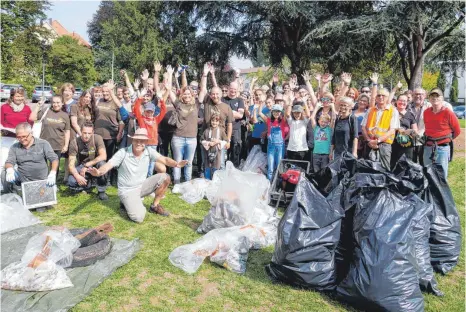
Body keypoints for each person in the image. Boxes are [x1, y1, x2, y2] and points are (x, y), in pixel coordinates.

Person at [87, 128, 188, 223]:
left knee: (165, 177)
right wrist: (99, 172)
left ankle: (154, 206)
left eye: (142, 141)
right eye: (137, 140)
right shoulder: (123, 152)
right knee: (139, 217)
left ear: (146, 142)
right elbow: (108, 165)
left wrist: (176, 164)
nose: (139, 143)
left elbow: (165, 159)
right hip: (127, 190)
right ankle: (125, 202)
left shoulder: (149, 151)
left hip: (141, 186)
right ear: (132, 140)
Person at [1, 122, 58, 194]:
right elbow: (9, 161)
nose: (22, 139)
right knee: (4, 173)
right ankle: (11, 195)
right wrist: (10, 170)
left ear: (31, 133)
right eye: (19, 137)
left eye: (24, 136)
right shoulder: (14, 147)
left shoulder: (43, 144)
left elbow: (54, 159)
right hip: (22, 179)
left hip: (41, 180)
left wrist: (53, 173)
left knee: (41, 200)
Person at [29, 95, 71, 180]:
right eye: (54, 102)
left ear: (62, 103)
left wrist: (66, 145)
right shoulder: (46, 111)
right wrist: (38, 106)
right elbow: (32, 118)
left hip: (58, 144)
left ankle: (52, 183)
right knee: (42, 165)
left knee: (55, 165)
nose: (55, 104)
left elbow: (67, 131)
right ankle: (42, 181)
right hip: (43, 144)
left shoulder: (65, 115)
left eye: (58, 102)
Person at [423, 88, 460, 179]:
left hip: (442, 148)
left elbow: (457, 131)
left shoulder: (448, 113)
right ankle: (429, 193)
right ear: (429, 99)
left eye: (437, 96)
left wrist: (445, 139)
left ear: (442, 98)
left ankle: (441, 193)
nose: (435, 98)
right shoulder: (426, 112)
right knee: (427, 174)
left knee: (441, 176)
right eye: (432, 96)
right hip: (428, 147)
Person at [93, 81, 125, 184]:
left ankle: (110, 178)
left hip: (111, 135)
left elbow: (121, 121)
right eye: (103, 91)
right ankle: (98, 177)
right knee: (98, 156)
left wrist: (119, 133)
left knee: (110, 157)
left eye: (107, 91)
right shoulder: (98, 101)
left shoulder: (115, 103)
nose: (105, 93)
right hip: (97, 135)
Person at [68, 121, 108, 200]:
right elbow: (70, 165)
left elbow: (103, 156)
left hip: (95, 165)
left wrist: (87, 165)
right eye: (84, 133)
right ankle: (87, 186)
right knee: (71, 181)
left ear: (92, 132)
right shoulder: (74, 142)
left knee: (102, 164)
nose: (86, 136)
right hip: (82, 166)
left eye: (89, 133)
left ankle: (101, 191)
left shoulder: (97, 138)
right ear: (81, 131)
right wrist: (77, 176)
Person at [167, 86, 199, 184]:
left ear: (192, 95)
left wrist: (205, 74)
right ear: (182, 95)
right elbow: (170, 93)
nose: (187, 95)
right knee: (177, 162)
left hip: (192, 139)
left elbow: (204, 91)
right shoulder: (178, 104)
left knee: (189, 163)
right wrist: (169, 78)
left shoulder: (196, 104)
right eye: (185, 93)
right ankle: (177, 183)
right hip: (178, 137)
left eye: (189, 93)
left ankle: (187, 183)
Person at [361, 88, 400, 170]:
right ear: (376, 97)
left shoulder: (393, 111)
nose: (381, 97)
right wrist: (368, 140)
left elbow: (392, 130)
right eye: (379, 95)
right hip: (369, 144)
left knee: (384, 169)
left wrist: (377, 141)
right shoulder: (370, 110)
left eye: (383, 95)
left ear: (388, 97)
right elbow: (363, 127)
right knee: (368, 168)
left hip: (384, 145)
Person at [133, 89, 167, 176]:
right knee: (142, 161)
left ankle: (149, 177)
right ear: (144, 111)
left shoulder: (156, 119)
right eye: (147, 111)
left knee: (152, 162)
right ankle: (141, 178)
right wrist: (140, 97)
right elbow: (136, 108)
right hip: (144, 144)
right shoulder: (141, 120)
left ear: (153, 112)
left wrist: (161, 99)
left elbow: (163, 111)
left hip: (153, 144)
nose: (149, 113)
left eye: (151, 111)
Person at [257, 104, 287, 180]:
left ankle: (278, 184)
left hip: (280, 147)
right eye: (274, 112)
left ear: (281, 112)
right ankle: (269, 185)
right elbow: (260, 113)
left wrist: (287, 103)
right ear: (272, 112)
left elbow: (287, 112)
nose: (276, 113)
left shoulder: (283, 121)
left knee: (279, 167)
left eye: (278, 112)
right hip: (271, 147)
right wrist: (261, 102)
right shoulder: (268, 121)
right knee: (270, 168)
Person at [390, 94, 418, 168]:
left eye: (404, 101)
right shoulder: (391, 113)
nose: (402, 102)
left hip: (406, 144)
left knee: (406, 165)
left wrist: (408, 131)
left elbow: (415, 131)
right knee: (392, 164)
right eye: (400, 100)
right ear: (396, 101)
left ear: (407, 102)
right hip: (392, 143)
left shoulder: (410, 115)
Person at [222, 81, 245, 167]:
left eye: (235, 89)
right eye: (231, 88)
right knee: (224, 151)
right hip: (224, 130)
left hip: (236, 130)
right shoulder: (223, 99)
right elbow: (221, 113)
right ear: (228, 88)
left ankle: (235, 169)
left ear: (237, 90)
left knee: (236, 151)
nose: (233, 91)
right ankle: (223, 170)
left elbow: (240, 115)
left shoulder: (240, 100)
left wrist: (228, 112)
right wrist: (233, 112)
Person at [408, 88, 430, 165]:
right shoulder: (408, 106)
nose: (418, 96)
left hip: (424, 140)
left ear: (425, 96)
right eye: (416, 94)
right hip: (409, 140)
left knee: (423, 162)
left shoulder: (429, 107)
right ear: (412, 95)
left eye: (420, 94)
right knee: (411, 163)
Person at [201, 113, 227, 179]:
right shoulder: (206, 131)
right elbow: (202, 140)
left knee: (216, 167)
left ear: (219, 122)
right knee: (207, 167)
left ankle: (216, 183)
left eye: (216, 121)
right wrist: (209, 143)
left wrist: (218, 141)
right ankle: (207, 181)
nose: (214, 122)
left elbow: (225, 141)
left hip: (217, 153)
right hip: (208, 153)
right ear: (210, 121)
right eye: (213, 121)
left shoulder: (221, 131)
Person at [310, 107, 332, 173]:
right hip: (316, 153)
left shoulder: (329, 129)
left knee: (323, 171)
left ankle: (322, 183)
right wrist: (317, 107)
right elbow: (311, 118)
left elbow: (333, 118)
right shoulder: (316, 128)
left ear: (328, 123)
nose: (323, 123)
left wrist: (332, 107)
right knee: (316, 171)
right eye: (322, 121)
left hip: (325, 154)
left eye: (325, 122)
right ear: (319, 121)